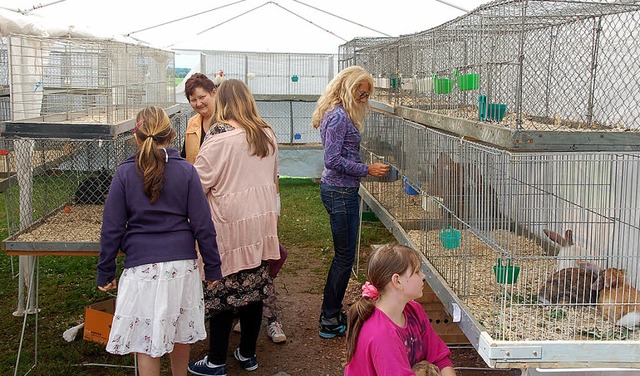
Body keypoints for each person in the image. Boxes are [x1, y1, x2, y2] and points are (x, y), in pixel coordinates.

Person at [97, 106, 222, 376]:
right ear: (172, 135)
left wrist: (105, 271)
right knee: (180, 336)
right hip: (181, 268)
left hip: (141, 269)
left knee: (145, 342)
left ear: (137, 137)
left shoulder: (125, 173)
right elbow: (203, 226)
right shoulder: (187, 172)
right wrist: (213, 267)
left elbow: (112, 228)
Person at [188, 79, 280, 375]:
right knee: (253, 291)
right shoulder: (266, 134)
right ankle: (248, 354)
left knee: (222, 295)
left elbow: (196, 186)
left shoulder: (218, 139)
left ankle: (216, 361)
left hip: (227, 227)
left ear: (223, 103)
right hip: (259, 225)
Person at [312, 65, 390, 339]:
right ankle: (329, 318)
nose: (364, 99)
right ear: (347, 87)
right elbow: (332, 161)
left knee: (344, 256)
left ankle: (331, 312)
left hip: (343, 190)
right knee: (344, 258)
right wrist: (366, 169)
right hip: (339, 191)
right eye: (361, 93)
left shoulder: (340, 114)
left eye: (366, 95)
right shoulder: (338, 117)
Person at [344, 244, 457, 376]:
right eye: (416, 271)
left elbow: (440, 358)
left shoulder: (414, 310)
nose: (423, 276)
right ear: (397, 281)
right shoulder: (381, 333)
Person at [181, 72, 223, 164]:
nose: (198, 103)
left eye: (202, 97)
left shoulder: (228, 120)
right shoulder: (192, 123)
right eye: (193, 100)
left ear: (214, 92)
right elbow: (185, 156)